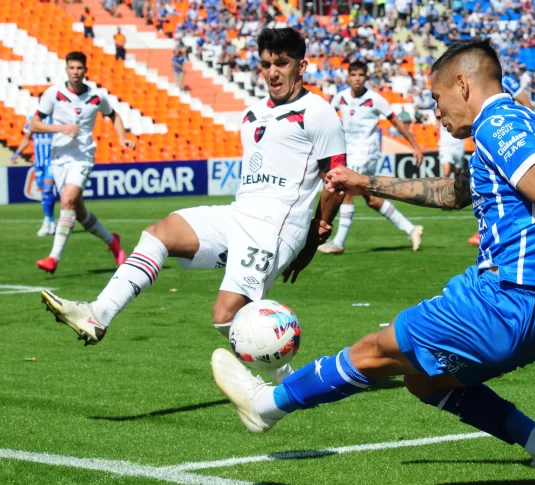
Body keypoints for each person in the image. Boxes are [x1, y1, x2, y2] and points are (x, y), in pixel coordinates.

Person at [210, 37, 535, 485]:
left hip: (509, 298)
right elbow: (453, 195)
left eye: (437, 97)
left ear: (463, 84)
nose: (436, 111)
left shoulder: (498, 123)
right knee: (424, 381)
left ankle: (268, 405)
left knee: (376, 349)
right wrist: (363, 181)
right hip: (523, 303)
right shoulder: (517, 122)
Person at [39, 28, 346, 390]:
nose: (273, 72)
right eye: (266, 64)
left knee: (225, 315)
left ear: (302, 66)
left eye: (282, 63)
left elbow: (336, 178)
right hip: (239, 213)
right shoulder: (252, 113)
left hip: (276, 227)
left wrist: (315, 233)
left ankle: (287, 385)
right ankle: (98, 314)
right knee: (160, 233)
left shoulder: (319, 112)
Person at [32, 52, 134, 274]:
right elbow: (34, 124)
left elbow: (114, 115)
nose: (75, 72)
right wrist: (60, 128)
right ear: (66, 69)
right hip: (59, 158)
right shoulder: (53, 94)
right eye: (72, 68)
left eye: (79, 68)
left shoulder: (97, 96)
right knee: (78, 212)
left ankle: (53, 258)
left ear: (85, 70)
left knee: (67, 200)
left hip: (83, 157)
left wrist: (123, 137)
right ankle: (112, 241)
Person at [317, 61, 424, 255]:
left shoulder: (375, 99)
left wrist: (414, 145)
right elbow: (324, 118)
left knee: (345, 189)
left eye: (361, 75)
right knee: (372, 199)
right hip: (348, 152)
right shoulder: (340, 98)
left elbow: (396, 122)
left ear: (366, 77)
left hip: (366, 153)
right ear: (348, 77)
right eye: (354, 75)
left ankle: (339, 243)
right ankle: (412, 229)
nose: (357, 79)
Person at [468, 72, 535, 246]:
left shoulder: (506, 81)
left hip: (507, 137)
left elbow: (526, 102)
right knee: (488, 184)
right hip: (487, 136)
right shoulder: (475, 83)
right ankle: (488, 229)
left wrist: (526, 129)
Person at [11, 114, 56, 236]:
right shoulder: (32, 119)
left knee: (47, 191)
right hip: (38, 163)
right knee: (44, 194)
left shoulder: (56, 118)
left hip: (51, 161)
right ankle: (51, 221)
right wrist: (16, 154)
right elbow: (27, 138)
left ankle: (48, 221)